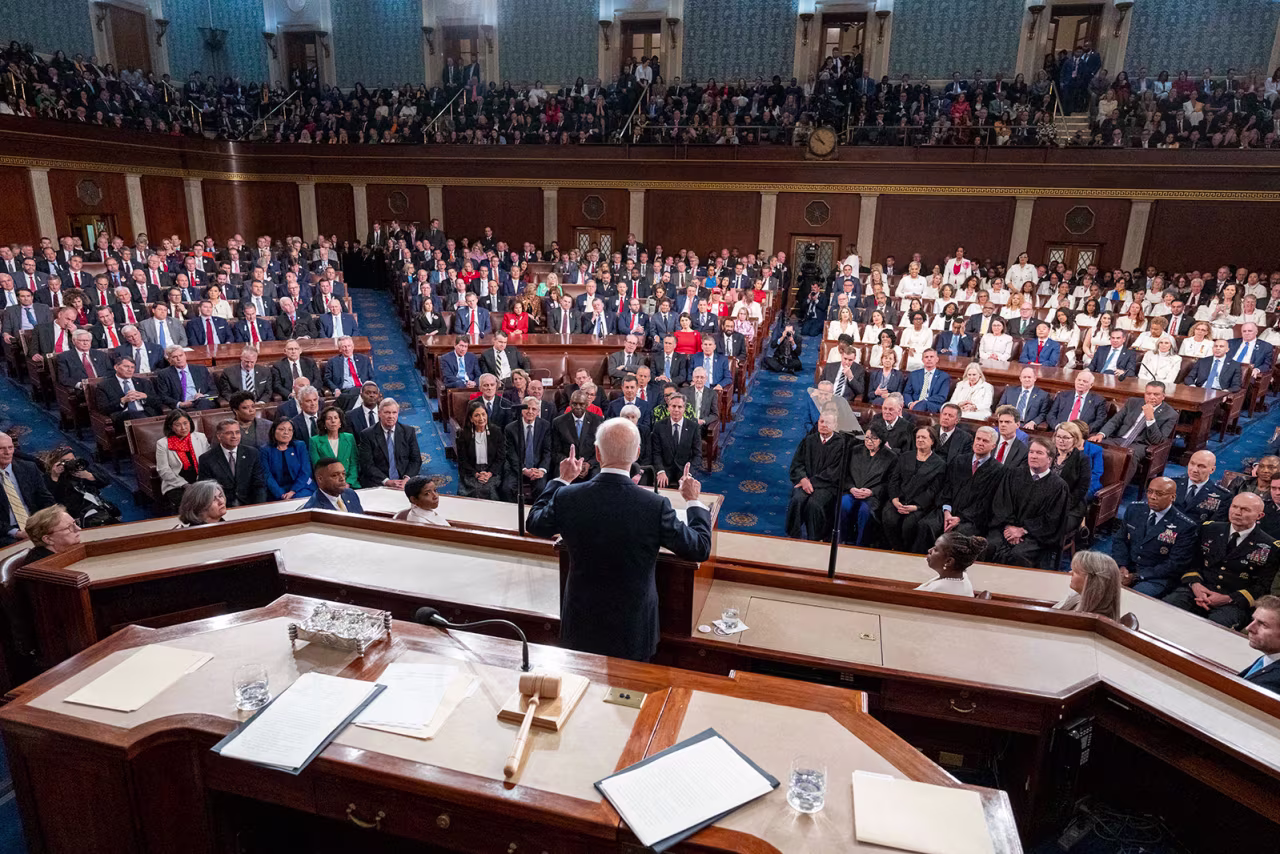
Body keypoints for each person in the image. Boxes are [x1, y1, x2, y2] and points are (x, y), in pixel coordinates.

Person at [526, 417, 712, 661]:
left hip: (581, 617)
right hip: (633, 625)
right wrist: (693, 501)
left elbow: (535, 523)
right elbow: (699, 548)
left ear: (597, 453)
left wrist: (562, 480)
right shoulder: (654, 506)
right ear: (637, 453)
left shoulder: (568, 497)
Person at [1163, 492, 1280, 628]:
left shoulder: (1271, 546)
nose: (1237, 512)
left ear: (1260, 516)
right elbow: (1192, 562)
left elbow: (1262, 587)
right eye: (1234, 507)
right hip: (1198, 590)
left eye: (1245, 510)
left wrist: (1228, 599)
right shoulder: (1209, 529)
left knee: (1216, 628)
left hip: (1233, 602)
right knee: (1167, 607)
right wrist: (1195, 585)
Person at [984, 437, 1070, 569]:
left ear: (1050, 459)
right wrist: (1009, 527)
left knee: (1018, 554)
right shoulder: (1013, 474)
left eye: (1039, 453)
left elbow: (1052, 519)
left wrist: (1024, 530)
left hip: (1035, 536)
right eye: (1031, 452)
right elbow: (1001, 504)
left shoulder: (1058, 486)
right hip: (1005, 529)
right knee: (989, 546)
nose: (1033, 456)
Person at [918, 425, 1004, 550]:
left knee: (957, 536)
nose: (980, 443)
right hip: (948, 510)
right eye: (978, 439)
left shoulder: (998, 470)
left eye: (985, 441)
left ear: (993, 446)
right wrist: (947, 512)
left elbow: (986, 502)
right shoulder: (959, 461)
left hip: (971, 518)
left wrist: (960, 518)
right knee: (926, 525)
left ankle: (948, 567)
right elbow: (947, 488)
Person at [1113, 477, 1199, 597]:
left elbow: (1174, 564)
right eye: (1149, 491)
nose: (1152, 496)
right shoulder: (1134, 509)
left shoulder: (1185, 526)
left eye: (1159, 494)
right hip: (1127, 566)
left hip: (1156, 576)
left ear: (1173, 497)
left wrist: (1137, 576)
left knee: (1132, 597)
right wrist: (1122, 565)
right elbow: (1120, 539)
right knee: (1095, 583)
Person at [785, 411, 850, 541]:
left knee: (814, 504)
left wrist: (810, 482)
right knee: (797, 499)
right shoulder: (809, 440)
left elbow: (834, 472)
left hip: (827, 486)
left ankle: (815, 539)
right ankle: (794, 536)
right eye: (821, 422)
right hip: (805, 483)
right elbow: (797, 464)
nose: (824, 425)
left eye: (828, 422)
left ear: (835, 425)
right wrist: (803, 479)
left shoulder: (841, 444)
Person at [880, 425, 946, 552]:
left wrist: (916, 506)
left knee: (909, 525)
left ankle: (907, 552)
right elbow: (894, 480)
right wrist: (895, 500)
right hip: (899, 499)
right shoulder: (905, 457)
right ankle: (895, 549)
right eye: (918, 437)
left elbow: (933, 490)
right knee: (889, 518)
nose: (920, 440)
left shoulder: (939, 464)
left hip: (920, 505)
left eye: (924, 437)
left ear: (932, 441)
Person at [1089, 381, 1177, 463]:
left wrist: (1150, 419)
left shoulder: (1170, 414)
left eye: (1156, 394)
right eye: (1148, 393)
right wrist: (1101, 434)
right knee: (1092, 445)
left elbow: (1157, 440)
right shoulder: (1133, 402)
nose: (1152, 397)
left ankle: (1120, 480)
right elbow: (1115, 421)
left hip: (1139, 445)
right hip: (1119, 439)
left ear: (1163, 396)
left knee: (1128, 456)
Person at [0, 432, 55, 545]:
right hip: (5, 532)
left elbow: (46, 499)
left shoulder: (29, 468)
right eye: (1, 449)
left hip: (35, 523)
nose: (7, 452)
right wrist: (16, 532)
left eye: (10, 448)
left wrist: (43, 523)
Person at [197, 418, 267, 507]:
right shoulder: (206, 459)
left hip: (250, 504)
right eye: (229, 433)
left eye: (237, 432)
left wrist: (260, 507)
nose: (234, 436)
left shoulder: (252, 453)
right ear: (219, 436)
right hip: (222, 506)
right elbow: (207, 490)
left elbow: (259, 485)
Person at [357, 398, 421, 489]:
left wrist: (406, 479)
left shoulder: (408, 431)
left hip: (404, 480)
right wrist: (387, 481)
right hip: (379, 482)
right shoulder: (367, 434)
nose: (391, 416)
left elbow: (416, 459)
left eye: (394, 412)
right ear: (379, 413)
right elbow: (367, 464)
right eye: (387, 412)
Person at [503, 395, 551, 501]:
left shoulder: (545, 426)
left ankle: (536, 515)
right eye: (527, 408)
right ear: (521, 410)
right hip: (517, 469)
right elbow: (510, 454)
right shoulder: (510, 428)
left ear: (538, 412)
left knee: (541, 488)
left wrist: (542, 470)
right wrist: (523, 470)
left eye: (534, 409)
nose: (530, 411)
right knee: (507, 488)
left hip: (537, 468)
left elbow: (547, 451)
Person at [456, 401, 506, 499]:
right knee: (475, 490)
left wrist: (489, 473)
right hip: (471, 471)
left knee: (489, 489)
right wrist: (476, 474)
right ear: (471, 419)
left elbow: (500, 457)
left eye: (483, 414)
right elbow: (463, 460)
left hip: (492, 470)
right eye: (477, 415)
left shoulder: (496, 432)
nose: (481, 418)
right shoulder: (463, 435)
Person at [1053, 551, 1122, 620]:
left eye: (1076, 571)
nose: (1070, 573)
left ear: (1092, 581)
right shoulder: (1075, 600)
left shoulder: (1092, 621)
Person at [651, 394, 701, 487]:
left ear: (684, 409)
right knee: (659, 487)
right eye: (673, 406)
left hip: (684, 469)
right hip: (665, 468)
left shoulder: (693, 427)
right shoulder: (659, 426)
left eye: (679, 407)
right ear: (668, 408)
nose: (676, 410)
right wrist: (660, 471)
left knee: (688, 487)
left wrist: (688, 473)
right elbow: (656, 453)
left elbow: (697, 455)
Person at [550, 390, 602, 481]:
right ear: (570, 403)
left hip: (590, 467)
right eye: (575, 404)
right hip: (567, 465)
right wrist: (572, 463)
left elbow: (601, 450)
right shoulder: (558, 422)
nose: (578, 407)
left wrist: (589, 464)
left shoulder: (598, 421)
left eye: (581, 404)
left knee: (597, 480)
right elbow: (555, 452)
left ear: (587, 405)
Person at [917, 532, 989, 597]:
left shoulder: (937, 589)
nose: (929, 550)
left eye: (935, 549)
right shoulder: (963, 577)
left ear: (949, 561)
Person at [261, 417, 315, 501]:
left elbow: (305, 471)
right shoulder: (265, 450)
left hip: (301, 487)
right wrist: (281, 494)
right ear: (274, 430)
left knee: (299, 498)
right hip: (277, 490)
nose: (286, 433)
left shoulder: (300, 446)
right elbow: (267, 475)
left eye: (290, 430)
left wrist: (293, 491)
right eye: (282, 429)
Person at [1173, 449, 1231, 522]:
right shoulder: (1172, 484)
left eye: (1201, 466)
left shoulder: (1223, 496)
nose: (1194, 470)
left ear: (1212, 470)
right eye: (1192, 464)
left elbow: (1214, 526)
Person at [1240, 596, 1280, 693]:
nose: (1249, 628)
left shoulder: (1274, 683)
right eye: (1253, 620)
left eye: (1262, 624)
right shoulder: (1269, 658)